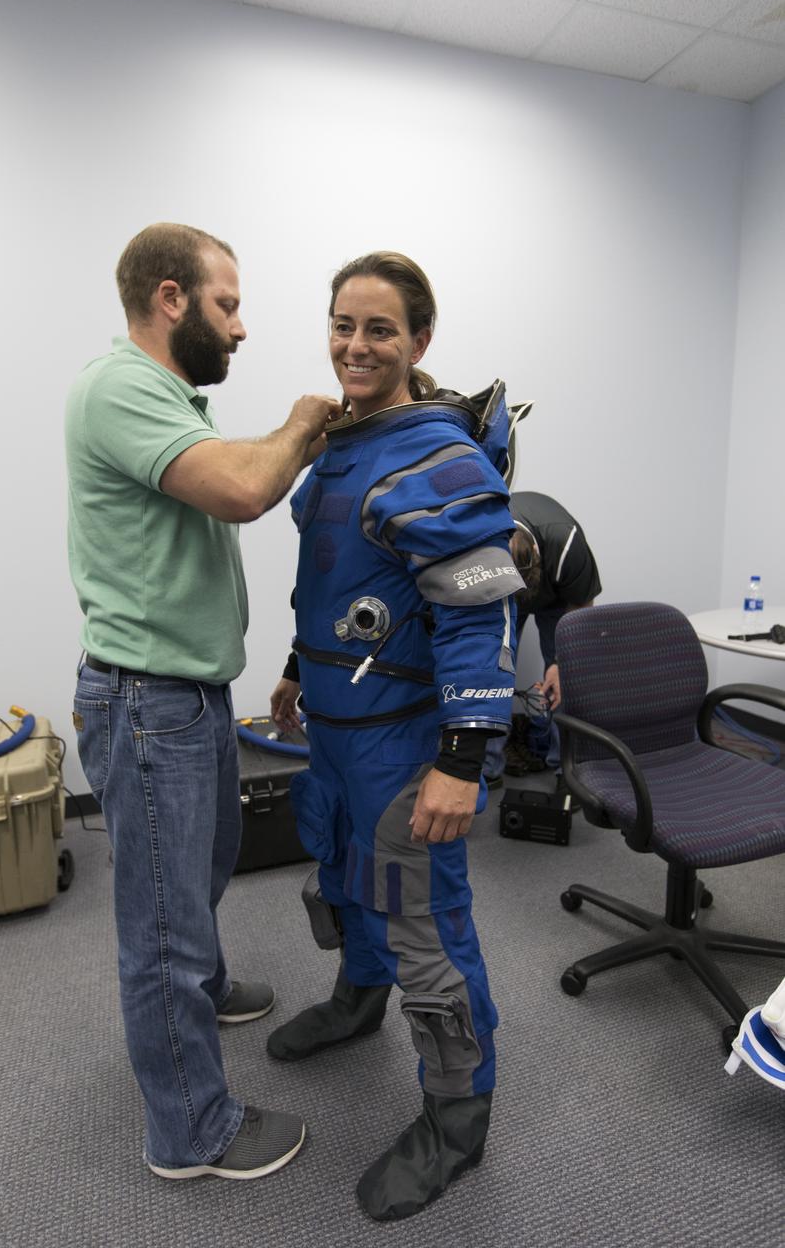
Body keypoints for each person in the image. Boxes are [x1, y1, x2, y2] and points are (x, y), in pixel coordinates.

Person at [65, 223, 339, 1182]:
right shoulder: (120, 389)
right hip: (148, 701)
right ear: (171, 299)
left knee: (206, 868)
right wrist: (309, 420)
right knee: (161, 926)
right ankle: (190, 1132)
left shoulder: (167, 396)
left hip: (185, 693)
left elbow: (234, 467)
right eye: (228, 305)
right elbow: (242, 489)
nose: (241, 327)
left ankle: (207, 989)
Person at [267, 252, 523, 1221]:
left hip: (404, 736)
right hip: (335, 727)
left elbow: (473, 619)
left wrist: (463, 759)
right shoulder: (342, 443)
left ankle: (457, 1115)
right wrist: (297, 668)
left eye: (378, 329)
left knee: (425, 922)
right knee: (339, 872)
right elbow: (333, 583)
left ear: (419, 340)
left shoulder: (439, 458)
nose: (354, 345)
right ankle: (356, 993)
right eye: (342, 324)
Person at [484, 491, 601, 779]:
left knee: (569, 676)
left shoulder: (566, 543)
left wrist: (561, 663)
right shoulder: (483, 539)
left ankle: (567, 768)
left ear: (537, 554)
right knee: (492, 671)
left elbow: (582, 609)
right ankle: (486, 770)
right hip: (502, 598)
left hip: (559, 599)